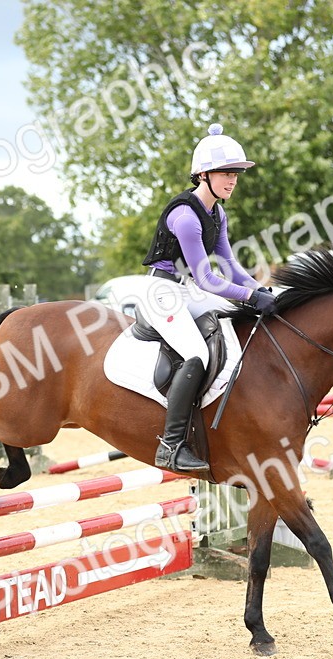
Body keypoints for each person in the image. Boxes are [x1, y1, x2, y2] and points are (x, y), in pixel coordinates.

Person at [140, 123, 277, 473]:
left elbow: (230, 266)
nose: (233, 181)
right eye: (226, 174)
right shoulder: (185, 216)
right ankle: (170, 447)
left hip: (187, 290)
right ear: (204, 174)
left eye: (236, 174)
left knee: (238, 322)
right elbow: (207, 277)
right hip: (162, 291)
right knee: (198, 353)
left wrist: (261, 291)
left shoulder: (218, 212)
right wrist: (249, 295)